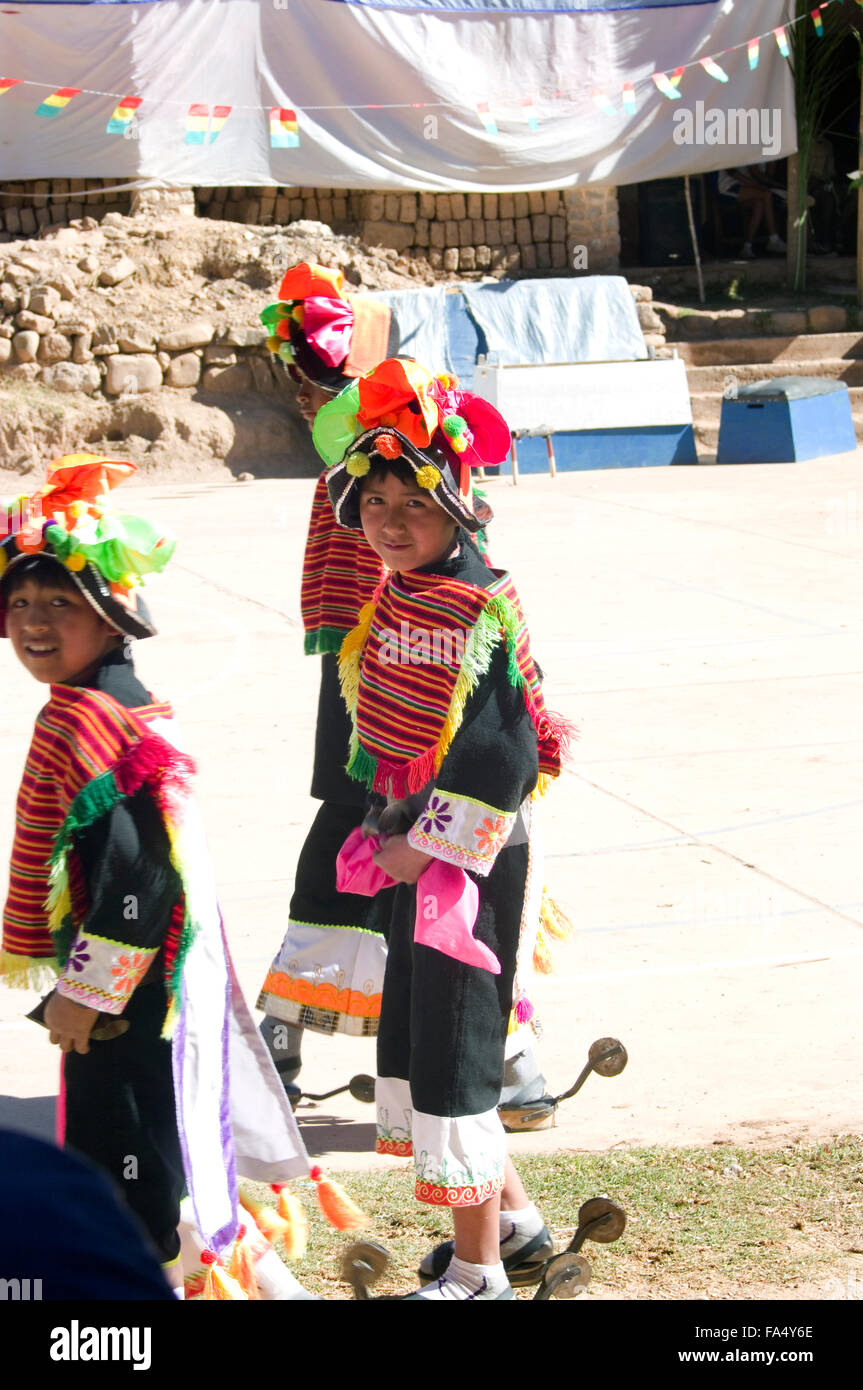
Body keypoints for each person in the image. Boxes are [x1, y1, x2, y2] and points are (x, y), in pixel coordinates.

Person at [0, 454, 311, 1296]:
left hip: (130, 999)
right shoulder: (98, 703)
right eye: (20, 602)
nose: (34, 621)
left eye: (61, 603)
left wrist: (86, 995)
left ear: (111, 616)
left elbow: (142, 877)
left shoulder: (95, 721)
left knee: (126, 1151)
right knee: (157, 1145)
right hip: (143, 986)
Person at [314, 359, 572, 1299]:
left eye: (408, 503)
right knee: (431, 1043)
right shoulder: (402, 593)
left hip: (468, 869)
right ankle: (516, 1222)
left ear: (458, 500)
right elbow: (386, 728)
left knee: (460, 1050)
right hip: (414, 855)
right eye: (371, 501)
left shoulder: (475, 610)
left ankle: (477, 1272)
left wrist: (417, 845)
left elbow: (503, 763)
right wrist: (384, 825)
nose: (386, 520)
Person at [256, 263, 399, 1088]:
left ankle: (286, 1020)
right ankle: (499, 1044)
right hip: (387, 668)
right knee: (420, 844)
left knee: (367, 831)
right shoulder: (373, 458)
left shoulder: (354, 463)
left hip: (384, 668)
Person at [717, 165, 786, 260]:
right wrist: (756, 185)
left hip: (744, 185)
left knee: (759, 203)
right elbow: (733, 172)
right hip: (728, 186)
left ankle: (747, 247)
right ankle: (774, 238)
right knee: (766, 195)